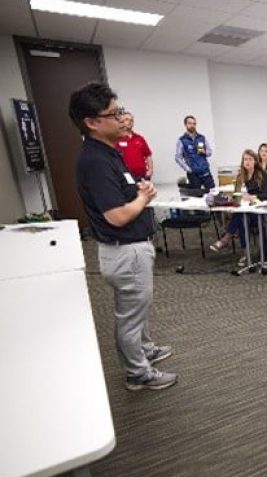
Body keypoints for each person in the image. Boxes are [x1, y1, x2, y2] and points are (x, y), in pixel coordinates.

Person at [69, 82, 177, 391]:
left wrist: (140, 192)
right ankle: (137, 373)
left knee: (137, 307)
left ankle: (144, 350)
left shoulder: (108, 152)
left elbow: (123, 192)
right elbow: (116, 215)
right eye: (115, 114)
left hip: (132, 248)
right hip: (125, 251)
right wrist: (143, 199)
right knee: (130, 314)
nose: (122, 119)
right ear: (92, 122)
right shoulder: (95, 161)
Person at [209, 149, 267, 265]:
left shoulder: (262, 175)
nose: (247, 162)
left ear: (255, 162)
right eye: (245, 159)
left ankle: (229, 240)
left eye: (250, 159)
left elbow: (266, 195)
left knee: (241, 217)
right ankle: (244, 253)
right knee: (241, 218)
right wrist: (235, 200)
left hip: (261, 212)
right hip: (247, 210)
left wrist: (251, 197)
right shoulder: (241, 175)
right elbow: (237, 194)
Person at [175, 114, 214, 190]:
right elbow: (178, 157)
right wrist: (188, 169)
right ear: (185, 125)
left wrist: (204, 152)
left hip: (205, 171)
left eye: (194, 123)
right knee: (197, 196)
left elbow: (210, 152)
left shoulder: (202, 138)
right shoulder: (182, 140)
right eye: (190, 123)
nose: (192, 125)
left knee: (212, 193)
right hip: (193, 174)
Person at [114, 111, 153, 180]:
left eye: (131, 120)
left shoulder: (139, 138)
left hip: (142, 175)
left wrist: (150, 170)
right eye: (127, 119)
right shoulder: (116, 139)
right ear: (121, 121)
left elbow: (148, 155)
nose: (130, 121)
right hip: (126, 176)